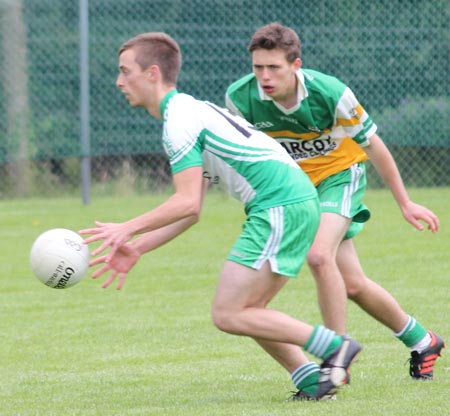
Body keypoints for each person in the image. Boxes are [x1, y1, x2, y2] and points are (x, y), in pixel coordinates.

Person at [79, 32, 362, 401]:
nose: (118, 81)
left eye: (124, 71)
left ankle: (334, 348)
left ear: (151, 73)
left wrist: (127, 228)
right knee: (247, 309)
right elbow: (192, 208)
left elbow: (184, 204)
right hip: (288, 201)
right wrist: (139, 246)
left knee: (229, 313)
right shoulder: (186, 111)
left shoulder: (179, 120)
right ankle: (311, 380)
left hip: (279, 203)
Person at [225, 22, 445, 385]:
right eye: (258, 67)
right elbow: (243, 156)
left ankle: (336, 356)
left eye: (274, 67)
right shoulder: (240, 98)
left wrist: (404, 202)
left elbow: (374, 145)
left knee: (317, 256)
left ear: (296, 65)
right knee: (353, 284)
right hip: (294, 189)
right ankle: (423, 341)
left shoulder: (330, 93)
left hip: (340, 176)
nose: (264, 76)